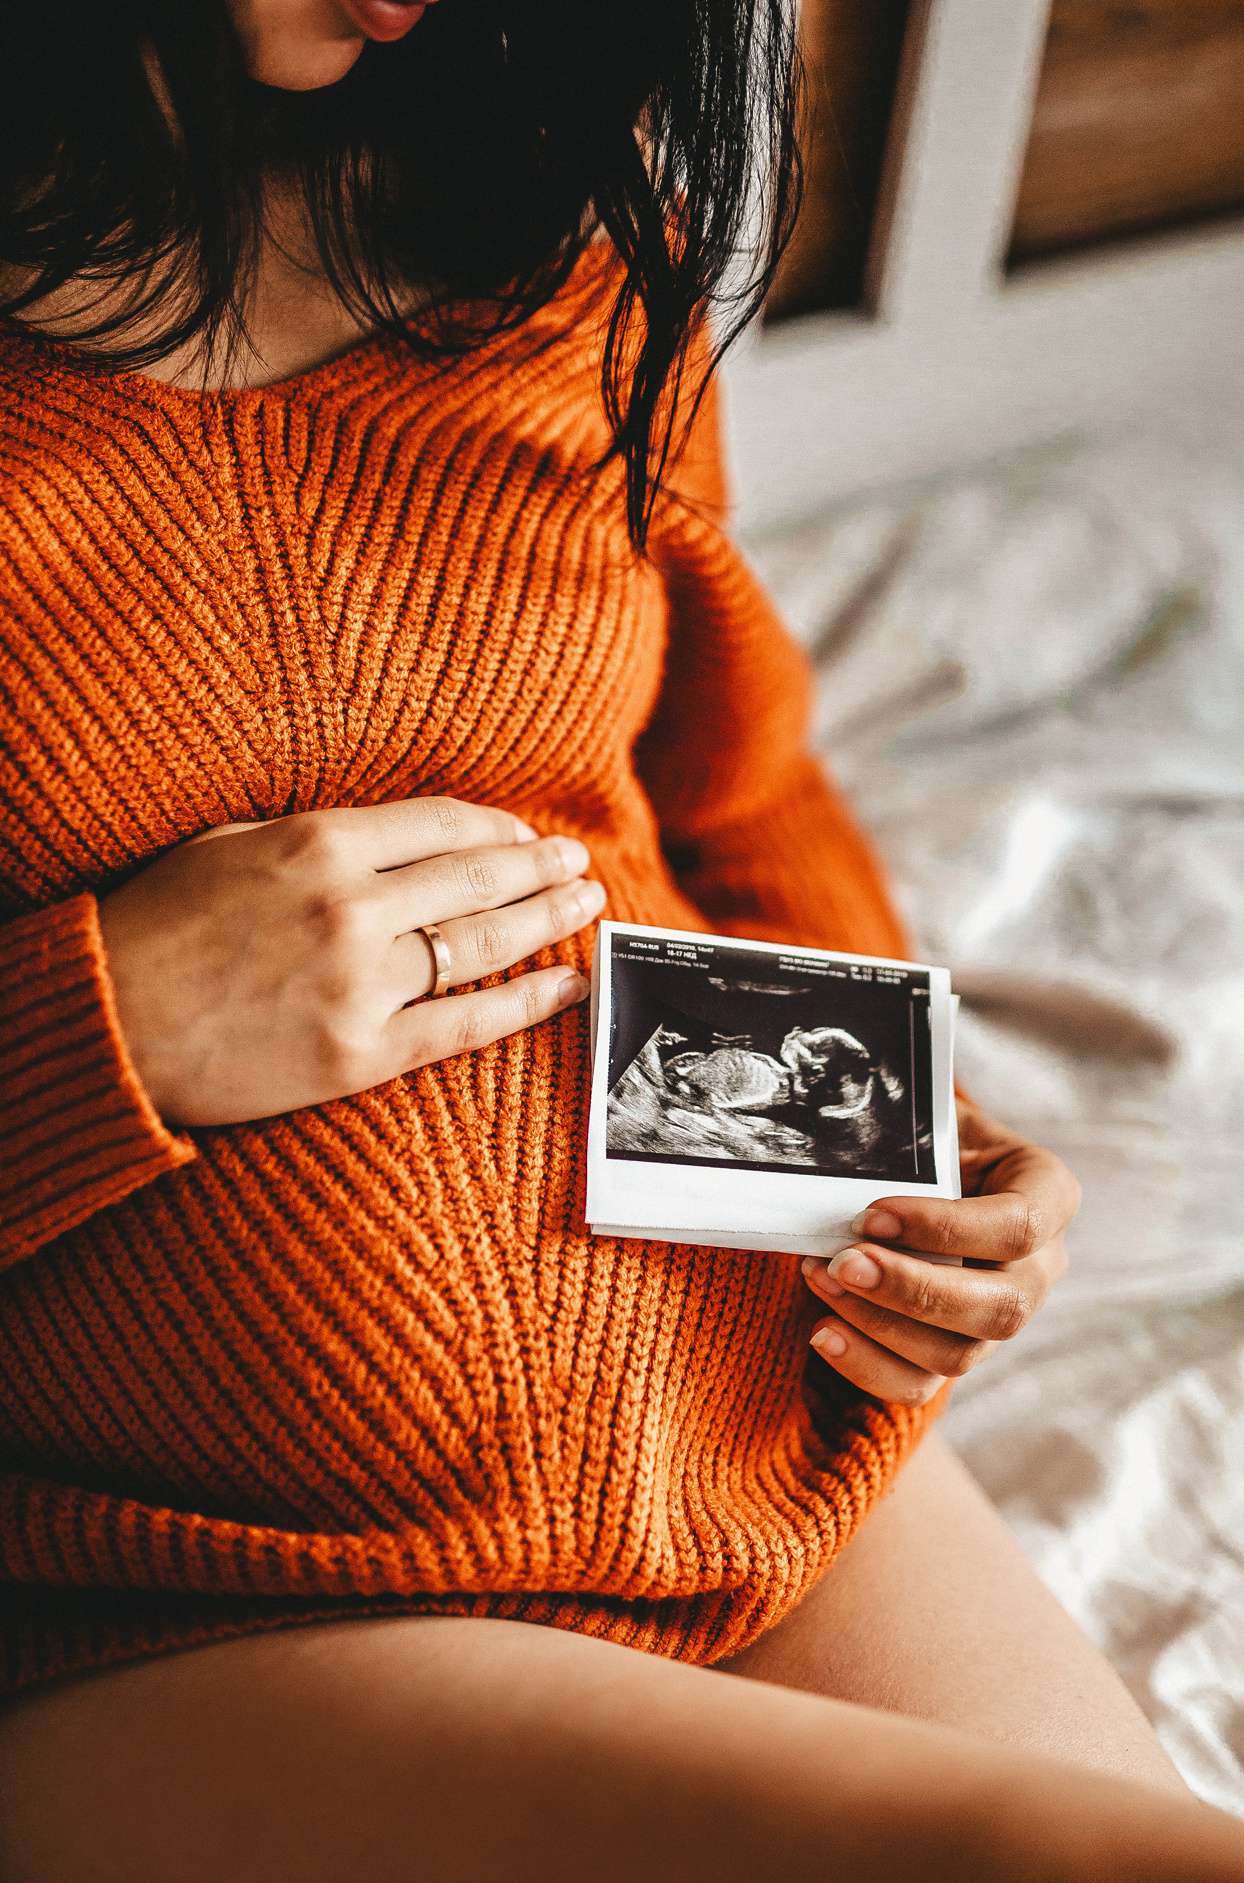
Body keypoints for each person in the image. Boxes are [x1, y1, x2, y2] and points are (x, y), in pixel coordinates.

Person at [0, 3, 1241, 1877]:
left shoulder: (553, 259)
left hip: (748, 1435)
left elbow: (734, 801)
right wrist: (113, 1028)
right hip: (183, 1596)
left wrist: (920, 1153)